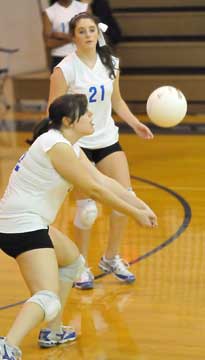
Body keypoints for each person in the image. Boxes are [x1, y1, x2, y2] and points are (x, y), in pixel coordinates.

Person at [0, 93, 157, 359]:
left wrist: (140, 204)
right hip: (21, 227)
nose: (91, 116)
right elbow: (94, 190)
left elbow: (103, 180)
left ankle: (53, 331)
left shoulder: (68, 146)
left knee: (72, 261)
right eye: (86, 113)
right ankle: (6, 346)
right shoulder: (55, 146)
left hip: (30, 223)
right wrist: (133, 213)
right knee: (46, 296)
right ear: (68, 120)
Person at [47, 12, 154, 290]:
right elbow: (52, 109)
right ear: (74, 37)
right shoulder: (65, 69)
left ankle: (110, 257)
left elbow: (117, 101)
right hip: (79, 144)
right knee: (87, 211)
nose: (87, 35)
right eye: (81, 31)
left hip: (107, 138)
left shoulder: (111, 63)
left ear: (98, 33)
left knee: (125, 199)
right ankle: (78, 264)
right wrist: (65, 141)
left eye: (91, 30)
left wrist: (135, 123)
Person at [43, 0, 88, 71]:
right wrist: (72, 39)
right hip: (60, 58)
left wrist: (64, 36)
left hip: (82, 56)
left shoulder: (83, 8)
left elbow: (90, 34)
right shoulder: (49, 12)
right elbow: (48, 43)